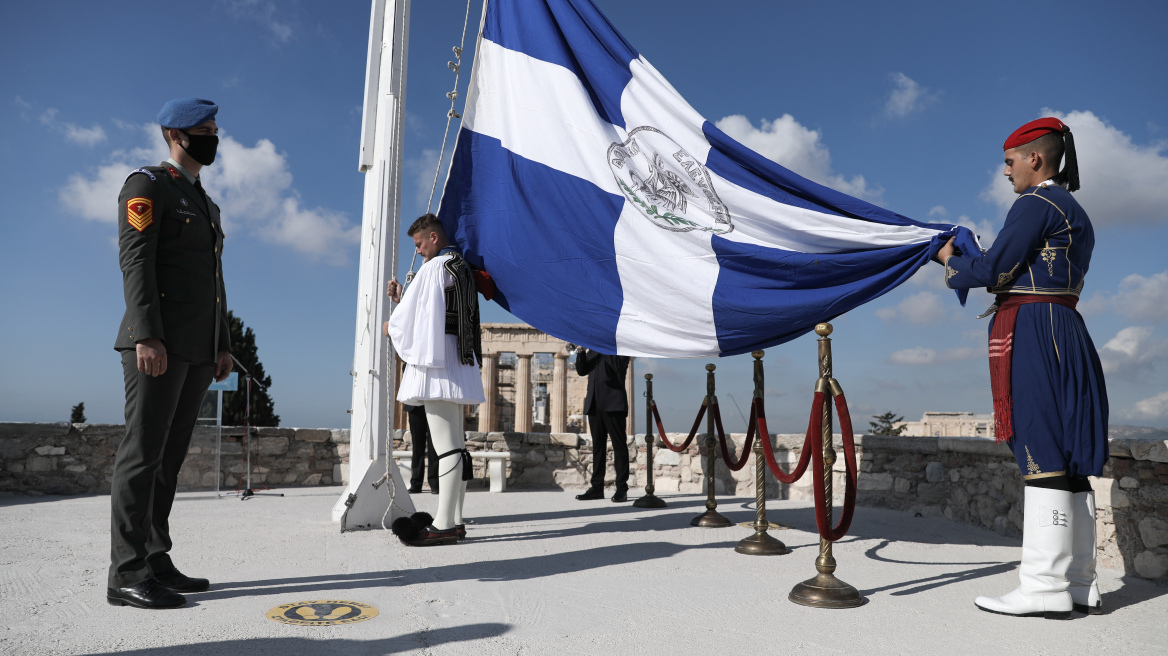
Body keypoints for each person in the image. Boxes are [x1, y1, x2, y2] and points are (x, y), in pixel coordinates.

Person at [937, 117, 1107, 619]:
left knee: (1043, 451)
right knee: (1070, 459)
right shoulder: (1076, 211)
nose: (1006, 172)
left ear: (1035, 158)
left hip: (1035, 328)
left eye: (1010, 161)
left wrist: (949, 259)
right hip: (1068, 326)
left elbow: (994, 271)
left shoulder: (1034, 204)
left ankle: (1041, 587)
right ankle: (1079, 582)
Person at [108, 98, 233, 609]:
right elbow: (136, 263)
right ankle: (126, 571)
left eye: (214, 129)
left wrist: (222, 344)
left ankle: (156, 559)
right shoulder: (147, 186)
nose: (213, 137)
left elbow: (215, 284)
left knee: (169, 460)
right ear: (175, 135)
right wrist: (147, 334)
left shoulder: (205, 203)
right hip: (157, 345)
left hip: (198, 348)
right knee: (142, 455)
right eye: (204, 130)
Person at [384, 214, 485, 545]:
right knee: (457, 446)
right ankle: (455, 519)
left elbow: (408, 320)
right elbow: (433, 312)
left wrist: (390, 325)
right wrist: (404, 301)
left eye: (420, 244)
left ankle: (442, 524)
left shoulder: (433, 268)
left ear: (434, 238)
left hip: (437, 368)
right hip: (458, 365)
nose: (419, 251)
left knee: (446, 449)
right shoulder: (460, 266)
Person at [573, 348, 632, 502]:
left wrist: (602, 346)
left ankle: (621, 488)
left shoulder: (621, 349)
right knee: (598, 447)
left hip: (613, 403)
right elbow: (582, 371)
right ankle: (597, 487)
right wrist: (580, 353)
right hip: (594, 404)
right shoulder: (593, 349)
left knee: (619, 446)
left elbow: (617, 365)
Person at [404, 403, 440, 494]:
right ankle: (416, 483)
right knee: (417, 447)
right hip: (415, 405)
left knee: (434, 447)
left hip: (434, 405)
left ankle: (435, 483)